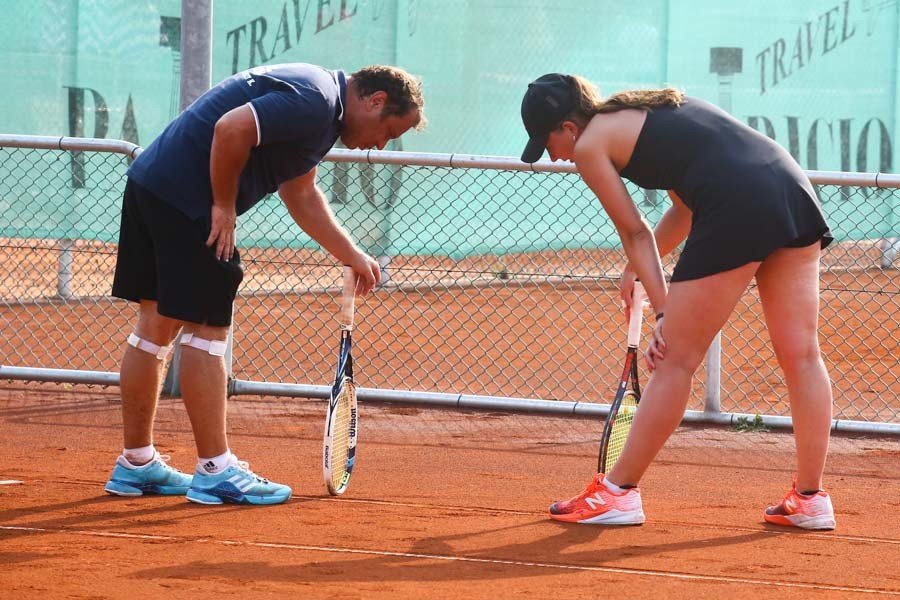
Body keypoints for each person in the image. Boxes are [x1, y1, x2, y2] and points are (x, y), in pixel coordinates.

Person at [519, 73, 836, 530]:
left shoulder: (590, 145)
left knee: (674, 359)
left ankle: (618, 493)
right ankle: (810, 498)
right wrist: (636, 271)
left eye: (547, 142)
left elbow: (635, 232)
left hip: (738, 203)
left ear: (569, 127)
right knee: (802, 355)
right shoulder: (649, 110)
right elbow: (684, 211)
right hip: (789, 187)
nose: (553, 156)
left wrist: (665, 309)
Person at [104, 63, 426, 505]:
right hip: (190, 202)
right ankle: (215, 471)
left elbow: (301, 193)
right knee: (207, 333)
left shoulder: (320, 106)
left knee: (154, 328)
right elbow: (231, 128)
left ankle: (136, 464)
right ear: (375, 101)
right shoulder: (317, 101)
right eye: (389, 131)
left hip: (151, 186)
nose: (382, 143)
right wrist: (223, 205)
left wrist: (351, 254)